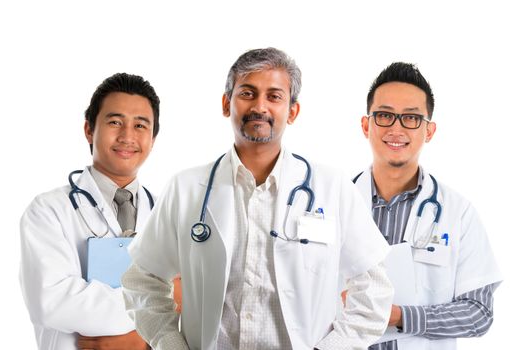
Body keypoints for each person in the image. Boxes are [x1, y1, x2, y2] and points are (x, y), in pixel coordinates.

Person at [122, 47, 394, 350]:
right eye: (247, 93)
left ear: (292, 111)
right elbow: (142, 281)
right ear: (227, 104)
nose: (260, 106)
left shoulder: (333, 188)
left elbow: (374, 291)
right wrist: (171, 344)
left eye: (274, 96)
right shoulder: (185, 189)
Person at [353, 62, 503, 349]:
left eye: (411, 118)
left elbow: (479, 313)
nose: (396, 128)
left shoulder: (458, 213)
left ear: (429, 131)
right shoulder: (334, 203)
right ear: (365, 125)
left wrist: (402, 317)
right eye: (384, 115)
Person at [19, 73, 160, 350]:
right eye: (115, 122)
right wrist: (161, 301)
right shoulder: (48, 211)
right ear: (89, 129)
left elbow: (195, 316)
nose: (128, 135)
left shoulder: (168, 214)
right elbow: (54, 301)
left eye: (140, 125)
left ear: (152, 138)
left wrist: (141, 341)